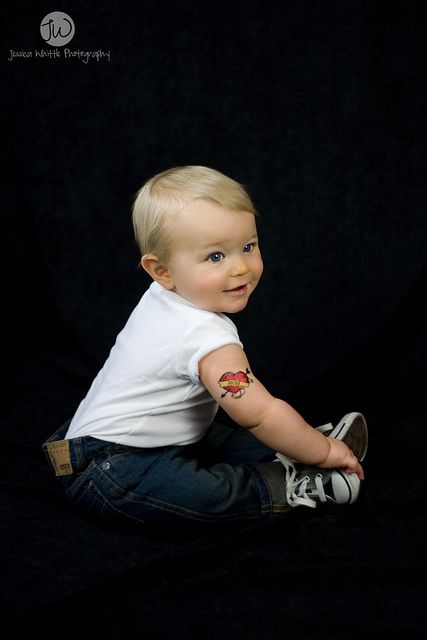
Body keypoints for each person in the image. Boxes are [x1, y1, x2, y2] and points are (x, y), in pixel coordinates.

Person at [43, 165, 367, 528]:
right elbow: (259, 412)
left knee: (222, 436)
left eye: (248, 246)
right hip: (111, 469)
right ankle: (292, 481)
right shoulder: (205, 339)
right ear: (161, 270)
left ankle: (295, 447)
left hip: (129, 436)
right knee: (205, 491)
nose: (240, 268)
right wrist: (322, 451)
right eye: (216, 257)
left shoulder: (165, 295)